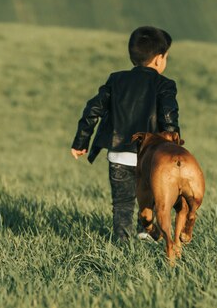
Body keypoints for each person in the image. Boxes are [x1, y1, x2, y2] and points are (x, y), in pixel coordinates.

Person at [70, 26, 180, 241]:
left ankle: (122, 244)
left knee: (122, 204)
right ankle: (145, 236)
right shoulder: (164, 84)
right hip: (151, 157)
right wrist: (173, 147)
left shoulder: (116, 80)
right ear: (159, 59)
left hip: (118, 155)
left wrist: (81, 142)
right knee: (150, 200)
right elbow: (169, 118)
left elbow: (93, 109)